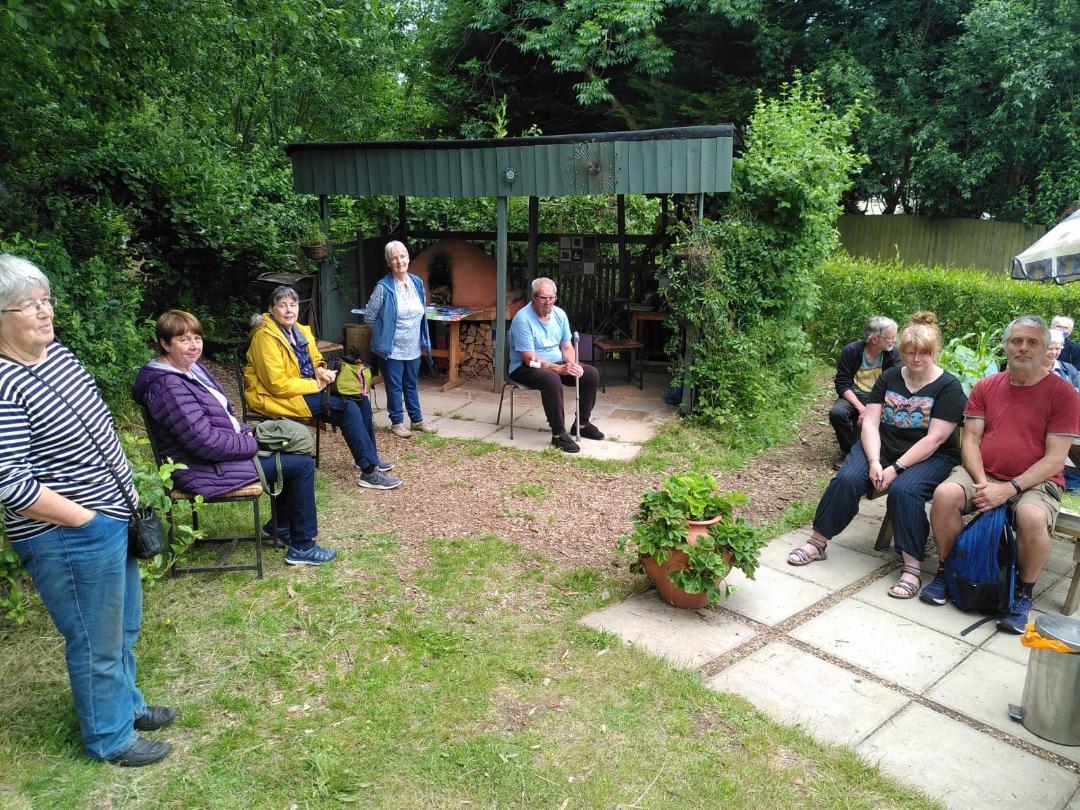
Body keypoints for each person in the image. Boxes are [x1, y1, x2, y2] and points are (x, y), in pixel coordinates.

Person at [0, 254, 174, 766]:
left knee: (121, 628)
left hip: (111, 517)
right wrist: (84, 519)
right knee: (94, 638)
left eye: (45, 300)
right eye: (28, 305)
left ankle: (129, 705)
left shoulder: (57, 356)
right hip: (66, 533)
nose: (44, 312)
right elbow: (9, 481)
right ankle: (110, 738)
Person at [134, 310, 336, 565]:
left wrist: (245, 431)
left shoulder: (190, 370)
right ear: (164, 343)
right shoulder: (168, 387)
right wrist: (253, 443)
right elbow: (204, 442)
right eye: (183, 340)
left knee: (293, 450)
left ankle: (282, 527)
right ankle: (303, 547)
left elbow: (220, 418)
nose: (194, 345)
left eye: (197, 338)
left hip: (217, 456)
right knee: (301, 464)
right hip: (202, 468)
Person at [788, 312, 966, 598]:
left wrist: (895, 468)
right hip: (881, 446)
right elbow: (870, 422)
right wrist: (873, 461)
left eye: (923, 353)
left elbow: (936, 439)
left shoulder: (949, 387)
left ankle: (911, 568)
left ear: (934, 353)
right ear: (901, 351)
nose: (916, 359)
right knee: (846, 479)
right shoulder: (890, 377)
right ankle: (817, 542)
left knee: (905, 491)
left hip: (930, 456)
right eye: (909, 352)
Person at [921, 316, 1080, 633]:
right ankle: (948, 570)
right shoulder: (987, 386)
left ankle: (1023, 593)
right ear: (1006, 345)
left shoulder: (1063, 395)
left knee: (1032, 517)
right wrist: (982, 484)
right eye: (1017, 340)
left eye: (1032, 342)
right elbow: (970, 439)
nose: (1023, 347)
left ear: (1047, 349)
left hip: (1035, 481)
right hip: (984, 473)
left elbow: (1054, 460)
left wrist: (1008, 489)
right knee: (945, 495)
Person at [245, 285, 401, 490]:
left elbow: (316, 358)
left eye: (293, 305)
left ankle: (368, 455)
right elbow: (277, 385)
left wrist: (320, 370)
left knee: (358, 396)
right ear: (271, 310)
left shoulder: (298, 330)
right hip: (281, 396)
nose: (289, 310)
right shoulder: (265, 338)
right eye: (282, 306)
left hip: (307, 386)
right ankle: (369, 471)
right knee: (346, 408)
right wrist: (315, 384)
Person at [509, 278, 602, 454]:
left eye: (552, 298)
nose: (548, 302)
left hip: (555, 362)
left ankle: (581, 424)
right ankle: (558, 434)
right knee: (551, 379)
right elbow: (529, 358)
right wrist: (558, 369)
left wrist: (574, 364)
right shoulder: (523, 319)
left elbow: (566, 346)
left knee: (590, 374)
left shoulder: (559, 314)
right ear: (534, 297)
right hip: (525, 366)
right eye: (544, 298)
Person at [364, 241, 434, 438]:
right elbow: (369, 316)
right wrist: (383, 333)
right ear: (388, 262)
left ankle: (417, 420)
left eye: (402, 256)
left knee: (411, 384)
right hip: (392, 349)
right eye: (394, 258)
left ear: (408, 258)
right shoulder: (383, 287)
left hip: (413, 346)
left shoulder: (417, 283)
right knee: (394, 386)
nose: (399, 261)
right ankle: (397, 423)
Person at [829, 315, 900, 469]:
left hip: (880, 398)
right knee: (837, 413)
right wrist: (861, 408)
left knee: (871, 420)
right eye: (890, 337)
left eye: (895, 337)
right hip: (854, 395)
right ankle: (849, 452)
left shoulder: (893, 354)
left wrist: (874, 407)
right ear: (874, 339)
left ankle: (869, 455)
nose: (894, 341)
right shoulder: (851, 351)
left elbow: (896, 384)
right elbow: (842, 383)